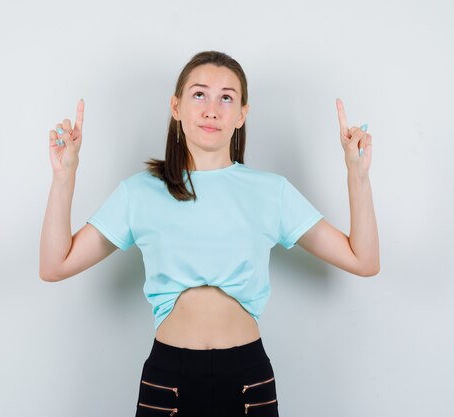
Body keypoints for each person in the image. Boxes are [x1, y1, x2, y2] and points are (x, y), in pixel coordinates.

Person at [40, 50, 379, 417]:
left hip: (247, 378)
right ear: (176, 106)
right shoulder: (139, 192)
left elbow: (363, 260)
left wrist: (356, 174)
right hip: (168, 378)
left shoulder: (271, 192)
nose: (211, 109)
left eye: (226, 98)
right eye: (199, 94)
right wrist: (64, 176)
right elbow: (55, 265)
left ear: (241, 115)